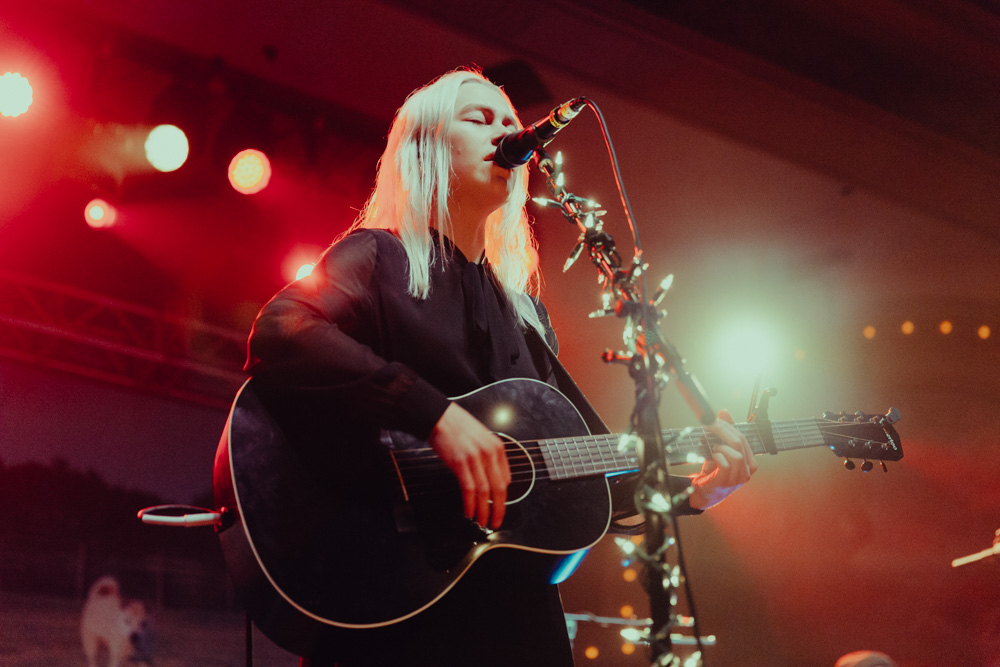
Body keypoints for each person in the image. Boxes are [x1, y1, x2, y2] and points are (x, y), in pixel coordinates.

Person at [244, 67, 756, 666]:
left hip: (513, 617)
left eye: (511, 121)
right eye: (479, 118)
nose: (507, 131)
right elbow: (281, 333)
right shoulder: (376, 256)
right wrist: (436, 417)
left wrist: (694, 493)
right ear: (426, 146)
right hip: (392, 598)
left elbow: (582, 485)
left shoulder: (527, 315)